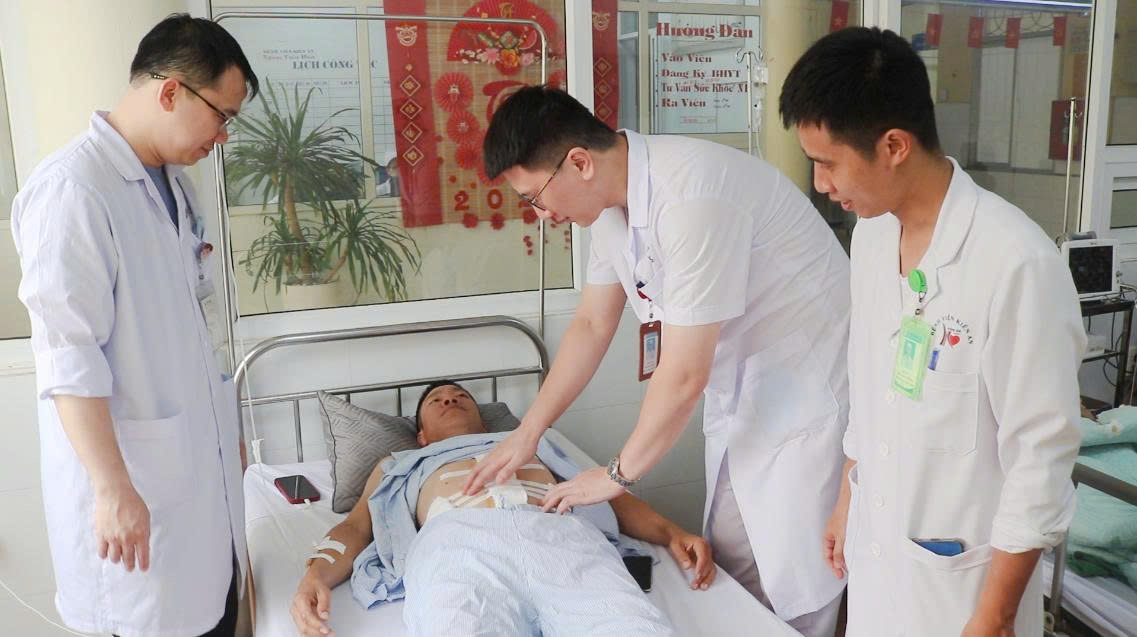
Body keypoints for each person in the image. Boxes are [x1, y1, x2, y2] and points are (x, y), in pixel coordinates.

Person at [466, 86, 851, 635]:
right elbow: (591, 324)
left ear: (579, 162)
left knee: (800, 578)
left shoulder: (693, 195)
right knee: (738, 564)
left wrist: (616, 475)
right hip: (745, 392)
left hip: (806, 394)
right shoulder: (608, 207)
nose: (542, 215)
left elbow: (685, 372)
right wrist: (529, 432)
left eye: (536, 197)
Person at [779, 27, 1084, 636]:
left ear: (894, 145)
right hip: (879, 564)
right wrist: (848, 499)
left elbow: (1040, 459)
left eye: (827, 163)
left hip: (964, 594)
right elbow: (870, 388)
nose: (821, 184)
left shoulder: (1015, 263)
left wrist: (995, 616)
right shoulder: (872, 238)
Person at [11, 14, 259, 637]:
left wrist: (223, 425)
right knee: (152, 617)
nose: (224, 135)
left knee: (212, 612)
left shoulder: (179, 189)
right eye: (222, 115)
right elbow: (68, 353)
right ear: (171, 91)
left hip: (192, 483)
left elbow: (194, 323)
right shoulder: (73, 189)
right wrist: (111, 486)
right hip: (135, 496)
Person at [290, 381, 716, 637]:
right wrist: (314, 576)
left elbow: (610, 496)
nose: (450, 400)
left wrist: (672, 533)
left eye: (460, 396)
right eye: (436, 400)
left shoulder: (537, 444)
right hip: (457, 544)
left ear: (483, 418)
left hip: (561, 536)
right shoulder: (399, 463)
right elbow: (355, 527)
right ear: (421, 436)